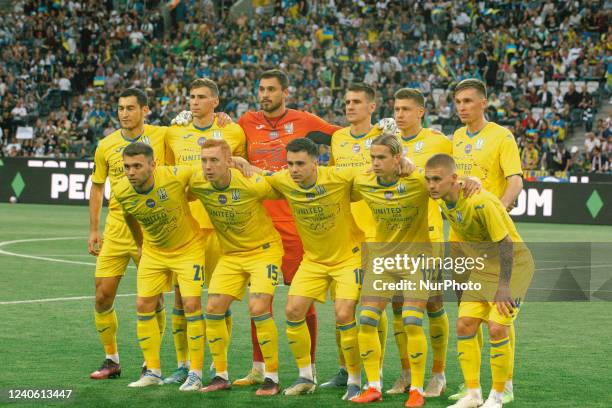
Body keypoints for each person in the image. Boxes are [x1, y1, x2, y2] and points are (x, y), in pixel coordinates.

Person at [425, 154, 533, 408]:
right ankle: (472, 394)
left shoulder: (480, 202)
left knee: (497, 328)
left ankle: (497, 396)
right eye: (428, 179)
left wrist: (503, 286)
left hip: (514, 266)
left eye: (437, 179)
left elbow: (506, 244)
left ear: (453, 179)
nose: (431, 185)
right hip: (482, 267)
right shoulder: (441, 197)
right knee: (464, 324)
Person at [258, 138, 363, 399]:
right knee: (293, 310)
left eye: (300, 164)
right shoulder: (284, 180)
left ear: (317, 162)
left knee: (343, 314)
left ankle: (355, 379)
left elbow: (372, 171)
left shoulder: (338, 176)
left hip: (348, 259)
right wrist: (238, 162)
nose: (294, 169)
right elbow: (263, 175)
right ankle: (306, 376)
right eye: (290, 163)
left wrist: (403, 163)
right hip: (314, 261)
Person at [163, 78, 246, 385]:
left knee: (218, 300)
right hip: (183, 229)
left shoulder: (233, 131)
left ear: (215, 101)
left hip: (219, 227)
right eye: (191, 96)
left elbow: (241, 168)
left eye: (201, 97)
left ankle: (216, 363)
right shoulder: (174, 132)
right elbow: (171, 176)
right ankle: (184, 364)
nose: (194, 102)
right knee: (181, 299)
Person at [189, 139, 283, 396]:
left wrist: (253, 166)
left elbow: (282, 185)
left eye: (214, 160)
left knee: (259, 307)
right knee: (213, 308)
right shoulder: (197, 182)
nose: (208, 166)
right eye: (204, 160)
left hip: (264, 251)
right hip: (231, 255)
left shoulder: (250, 183)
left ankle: (272, 378)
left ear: (229, 161)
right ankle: (220, 375)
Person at [450, 79, 523, 403]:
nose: (462, 107)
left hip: (493, 237)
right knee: (469, 316)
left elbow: (516, 181)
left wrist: (499, 213)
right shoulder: (456, 137)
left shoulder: (501, 136)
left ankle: (504, 384)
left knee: (500, 312)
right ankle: (473, 385)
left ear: (483, 103)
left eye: (467, 101)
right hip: (463, 243)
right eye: (457, 102)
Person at [88, 88, 167, 380]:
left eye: (130, 108)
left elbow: (193, 135)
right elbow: (97, 186)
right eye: (120, 108)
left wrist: (219, 118)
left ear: (145, 110)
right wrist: (94, 229)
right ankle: (111, 360)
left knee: (154, 299)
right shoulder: (106, 145)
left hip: (151, 228)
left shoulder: (162, 136)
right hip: (117, 229)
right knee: (102, 296)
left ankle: (152, 364)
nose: (124, 113)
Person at [115, 143, 205, 390]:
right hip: (154, 252)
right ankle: (152, 371)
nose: (131, 172)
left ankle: (195, 372)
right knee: (144, 304)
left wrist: (237, 162)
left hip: (189, 248)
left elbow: (205, 167)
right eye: (127, 167)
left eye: (137, 166)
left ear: (153, 165)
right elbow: (129, 216)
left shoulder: (175, 175)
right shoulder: (122, 190)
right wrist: (140, 245)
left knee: (191, 305)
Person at [322, 82, 389, 392]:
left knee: (374, 307)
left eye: (357, 102)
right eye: (347, 101)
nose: (350, 106)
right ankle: (344, 368)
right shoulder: (338, 138)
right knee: (343, 305)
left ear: (372, 107)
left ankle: (376, 371)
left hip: (378, 231)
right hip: (344, 233)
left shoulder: (384, 137)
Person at [394, 88, 452, 397]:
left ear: (421, 112)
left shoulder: (439, 142)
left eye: (405, 109)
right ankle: (406, 372)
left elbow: (453, 177)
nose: (399, 114)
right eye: (396, 109)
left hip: (428, 236)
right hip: (393, 238)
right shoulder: (387, 141)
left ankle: (438, 374)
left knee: (432, 303)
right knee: (397, 305)